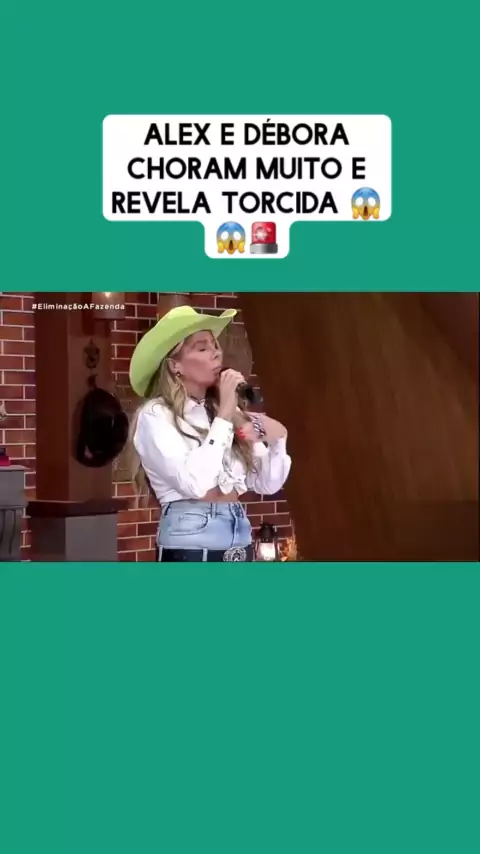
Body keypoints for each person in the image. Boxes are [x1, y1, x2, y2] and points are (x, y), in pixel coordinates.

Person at [127, 304, 292, 562]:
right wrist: (225, 415)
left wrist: (278, 440)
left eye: (215, 345)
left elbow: (267, 483)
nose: (216, 353)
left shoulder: (224, 411)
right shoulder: (156, 415)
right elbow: (195, 484)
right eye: (202, 348)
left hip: (239, 532)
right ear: (175, 366)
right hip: (191, 537)